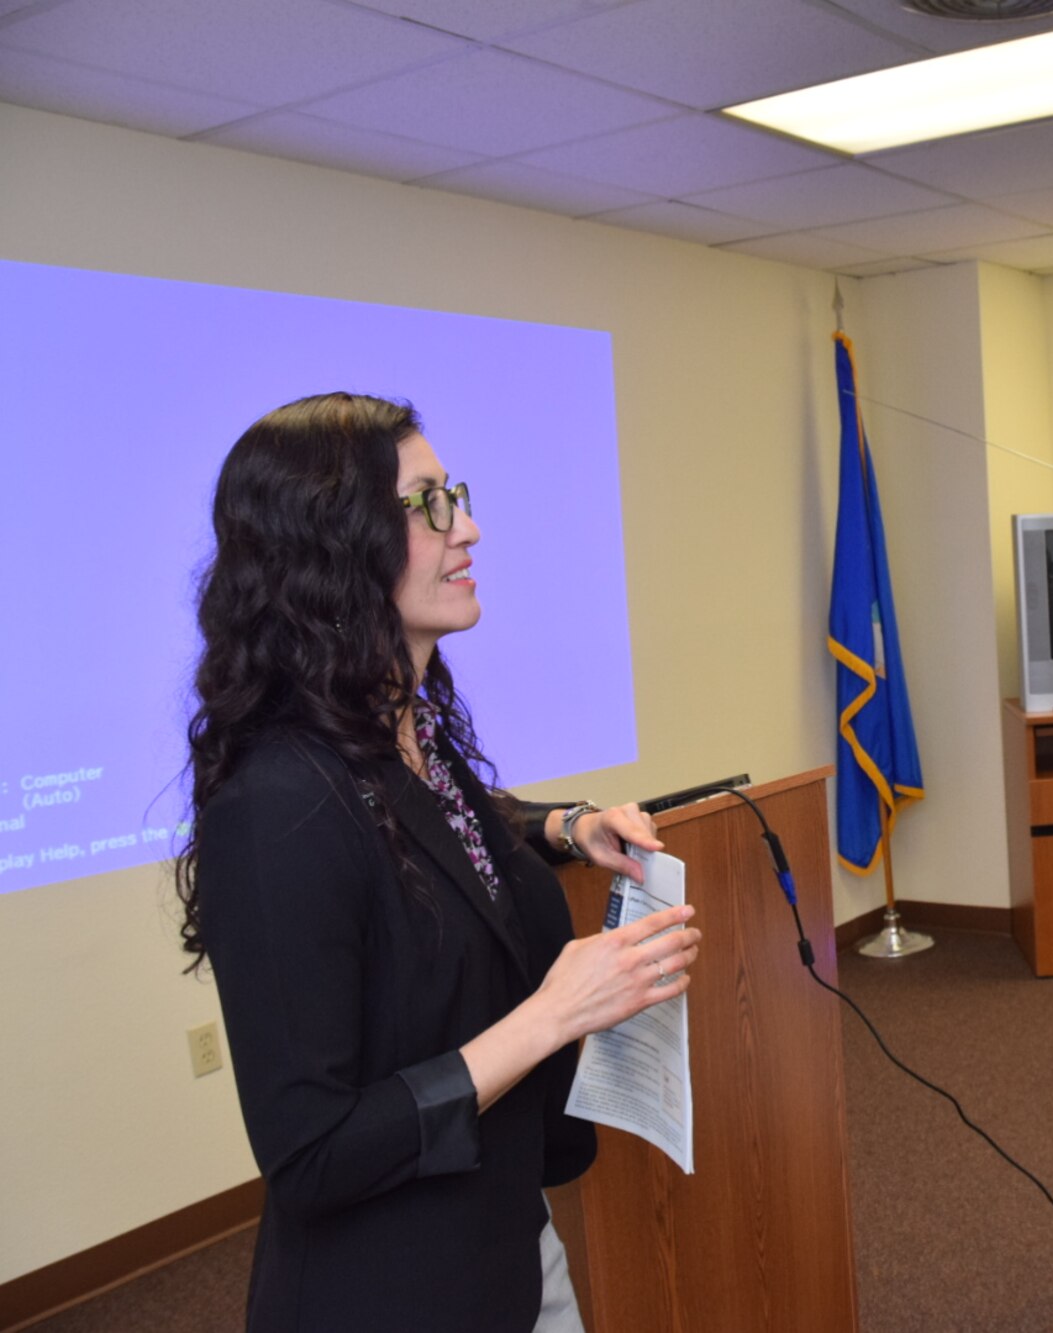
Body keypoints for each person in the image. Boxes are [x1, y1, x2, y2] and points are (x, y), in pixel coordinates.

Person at [175, 393, 700, 1332]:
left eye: (451, 495)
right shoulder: (274, 806)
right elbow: (312, 1152)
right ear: (334, 548)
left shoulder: (391, 726)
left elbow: (439, 823)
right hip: (389, 1292)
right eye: (426, 505)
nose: (469, 528)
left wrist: (560, 826)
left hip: (504, 1238)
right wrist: (550, 1017)